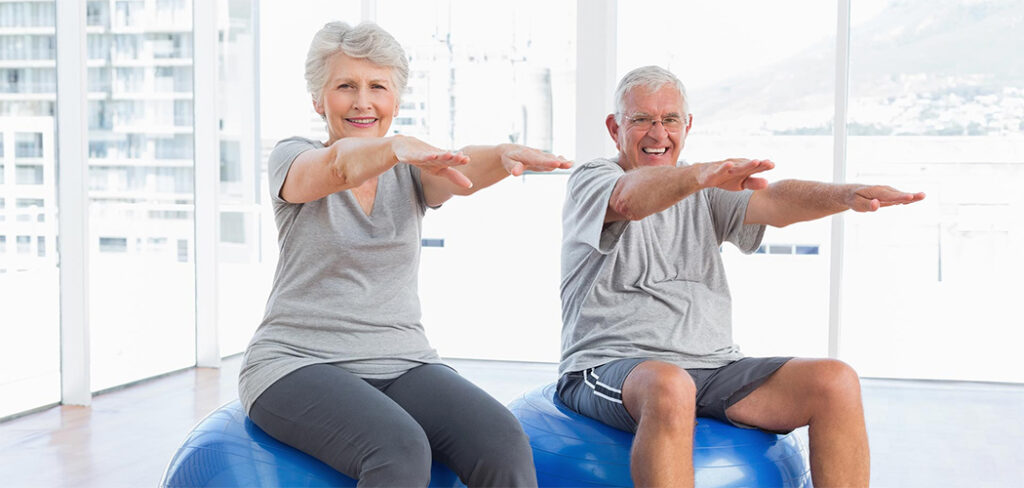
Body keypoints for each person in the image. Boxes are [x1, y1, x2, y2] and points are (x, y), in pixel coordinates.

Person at [557, 65, 925, 487]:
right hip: (608, 365)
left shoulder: (703, 188)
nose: (658, 134)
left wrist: (844, 195)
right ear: (614, 127)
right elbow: (628, 200)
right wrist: (698, 176)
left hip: (712, 366)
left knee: (835, 382)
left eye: (670, 119)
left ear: (687, 125)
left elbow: (775, 202)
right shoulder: (595, 179)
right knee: (670, 385)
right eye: (642, 120)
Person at [238, 21, 571, 487]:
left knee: (502, 441)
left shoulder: (408, 172)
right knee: (398, 449)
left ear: (395, 100)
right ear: (318, 100)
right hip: (297, 362)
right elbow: (338, 166)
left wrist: (502, 152)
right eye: (345, 86)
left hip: (402, 359)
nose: (363, 101)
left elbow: (458, 164)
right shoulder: (294, 158)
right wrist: (393, 146)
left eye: (378, 87)